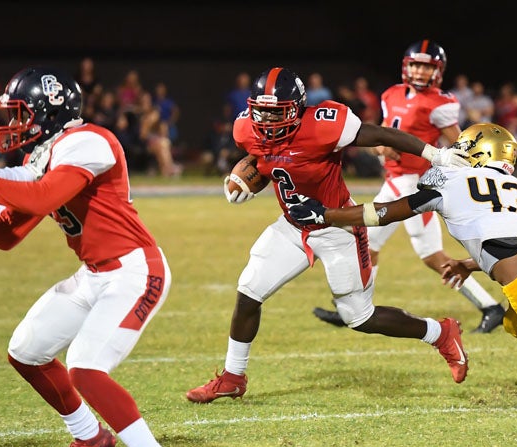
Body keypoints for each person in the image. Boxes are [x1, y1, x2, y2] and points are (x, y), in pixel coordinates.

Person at [186, 66, 471, 404]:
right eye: (261, 111)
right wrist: (247, 175)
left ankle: (441, 333)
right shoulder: (247, 128)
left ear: (295, 108)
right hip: (293, 225)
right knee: (249, 290)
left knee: (359, 317)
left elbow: (381, 135)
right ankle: (233, 377)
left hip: (339, 227)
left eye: (275, 112)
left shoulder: (324, 124)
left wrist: (436, 154)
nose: (265, 120)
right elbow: (263, 157)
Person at [288, 122, 517, 407]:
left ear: (478, 152)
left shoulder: (450, 181)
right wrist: (470, 264)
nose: (456, 151)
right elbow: (507, 237)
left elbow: (384, 212)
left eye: (464, 148)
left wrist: (326, 215)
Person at [0, 67, 171, 447]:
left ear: (49, 110)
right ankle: (91, 435)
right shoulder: (43, 154)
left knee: (86, 368)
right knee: (27, 350)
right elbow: (7, 236)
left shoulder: (89, 140)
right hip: (93, 275)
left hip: (134, 270)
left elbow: (41, 196)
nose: (13, 124)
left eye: (20, 114)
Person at [313, 40, 505, 333]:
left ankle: (490, 307)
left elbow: (458, 144)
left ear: (437, 71)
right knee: (374, 245)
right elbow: (381, 134)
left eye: (426, 66)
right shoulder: (391, 94)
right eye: (415, 64)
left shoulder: (439, 103)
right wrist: (379, 149)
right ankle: (355, 309)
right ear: (406, 65)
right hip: (394, 181)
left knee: (424, 255)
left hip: (415, 185)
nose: (419, 70)